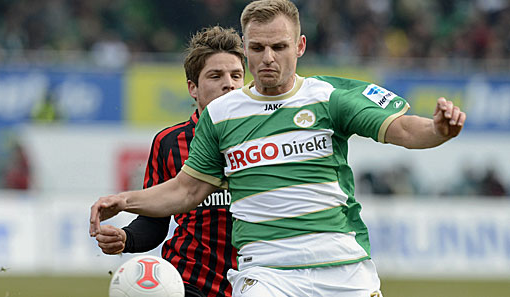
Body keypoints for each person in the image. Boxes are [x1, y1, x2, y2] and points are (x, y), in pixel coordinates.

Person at [90, 1, 467, 296]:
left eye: (279, 46)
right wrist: (125, 201)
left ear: (299, 46)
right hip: (265, 273)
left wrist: (437, 129)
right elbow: (186, 190)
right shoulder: (220, 115)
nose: (268, 57)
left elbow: (402, 128)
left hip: (343, 267)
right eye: (257, 47)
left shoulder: (329, 97)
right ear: (246, 48)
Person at [94, 26, 245, 297]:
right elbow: (155, 222)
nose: (229, 84)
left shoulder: (265, 139)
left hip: (254, 282)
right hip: (189, 281)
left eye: (236, 75)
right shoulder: (170, 143)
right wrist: (126, 238)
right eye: (216, 75)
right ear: (193, 88)